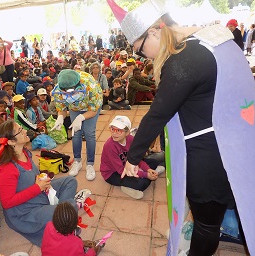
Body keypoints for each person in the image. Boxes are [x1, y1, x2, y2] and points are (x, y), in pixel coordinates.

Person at [108, 0, 254, 255]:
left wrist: (133, 157)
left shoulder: (184, 59)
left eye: (140, 49)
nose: (143, 56)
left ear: (154, 31)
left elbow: (157, 113)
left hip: (210, 156)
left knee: (207, 227)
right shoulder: (205, 40)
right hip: (235, 144)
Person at [0, 120, 78, 246]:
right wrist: (38, 188)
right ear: (11, 142)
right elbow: (7, 202)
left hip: (39, 194)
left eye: (22, 128)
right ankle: (63, 215)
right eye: (20, 131)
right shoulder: (7, 168)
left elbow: (32, 176)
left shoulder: (25, 152)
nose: (25, 131)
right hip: (24, 212)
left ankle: (61, 216)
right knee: (69, 208)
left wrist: (42, 178)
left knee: (70, 181)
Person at [51, 69, 103, 181]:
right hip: (74, 108)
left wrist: (81, 117)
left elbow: (93, 110)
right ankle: (77, 161)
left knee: (89, 133)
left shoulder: (91, 86)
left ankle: (90, 164)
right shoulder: (59, 89)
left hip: (90, 107)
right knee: (76, 133)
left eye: (70, 91)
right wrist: (60, 117)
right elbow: (62, 109)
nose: (68, 94)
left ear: (78, 85)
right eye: (64, 92)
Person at [100, 116, 164, 199]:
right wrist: (145, 174)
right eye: (112, 129)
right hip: (113, 173)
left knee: (153, 162)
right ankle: (127, 186)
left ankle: (150, 173)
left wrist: (148, 169)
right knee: (141, 184)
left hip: (129, 165)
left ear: (127, 132)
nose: (114, 133)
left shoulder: (131, 139)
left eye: (119, 130)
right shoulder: (109, 146)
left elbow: (137, 159)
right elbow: (121, 170)